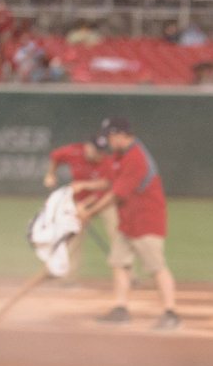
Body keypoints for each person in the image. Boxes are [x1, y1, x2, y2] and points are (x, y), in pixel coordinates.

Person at [77, 117, 180, 330]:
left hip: (146, 220)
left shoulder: (136, 158)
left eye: (110, 137)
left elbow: (116, 193)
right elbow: (110, 182)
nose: (108, 142)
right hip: (128, 221)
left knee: (156, 267)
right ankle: (120, 309)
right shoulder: (119, 155)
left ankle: (170, 312)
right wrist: (86, 196)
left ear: (121, 136)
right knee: (119, 263)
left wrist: (90, 212)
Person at [45, 135, 115, 280]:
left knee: (117, 233)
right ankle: (68, 277)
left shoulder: (107, 161)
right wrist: (51, 174)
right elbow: (55, 156)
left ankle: (127, 275)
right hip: (79, 202)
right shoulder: (74, 152)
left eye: (101, 151)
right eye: (96, 150)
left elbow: (106, 185)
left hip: (105, 200)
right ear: (87, 147)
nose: (99, 154)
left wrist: (84, 189)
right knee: (72, 236)